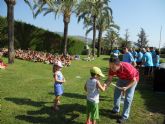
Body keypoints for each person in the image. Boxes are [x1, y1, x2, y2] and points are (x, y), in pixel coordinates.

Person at [104, 58, 139, 123]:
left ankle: (125, 116)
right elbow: (109, 79)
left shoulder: (127, 67)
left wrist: (126, 87)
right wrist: (105, 86)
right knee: (116, 94)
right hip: (121, 79)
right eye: (110, 66)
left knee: (128, 98)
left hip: (132, 80)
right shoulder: (112, 68)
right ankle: (115, 109)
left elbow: (134, 80)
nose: (111, 68)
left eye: (113, 67)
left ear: (119, 64)